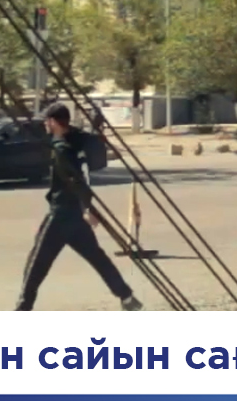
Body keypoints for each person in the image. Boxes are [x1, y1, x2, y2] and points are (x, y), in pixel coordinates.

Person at [16, 102, 142, 312]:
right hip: (75, 215)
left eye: (47, 120)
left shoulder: (62, 149)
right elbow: (83, 170)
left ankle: (23, 309)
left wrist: (88, 208)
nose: (45, 124)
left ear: (54, 122)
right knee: (97, 257)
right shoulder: (74, 141)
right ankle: (127, 296)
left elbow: (77, 180)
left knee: (37, 263)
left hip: (61, 214)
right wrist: (86, 208)